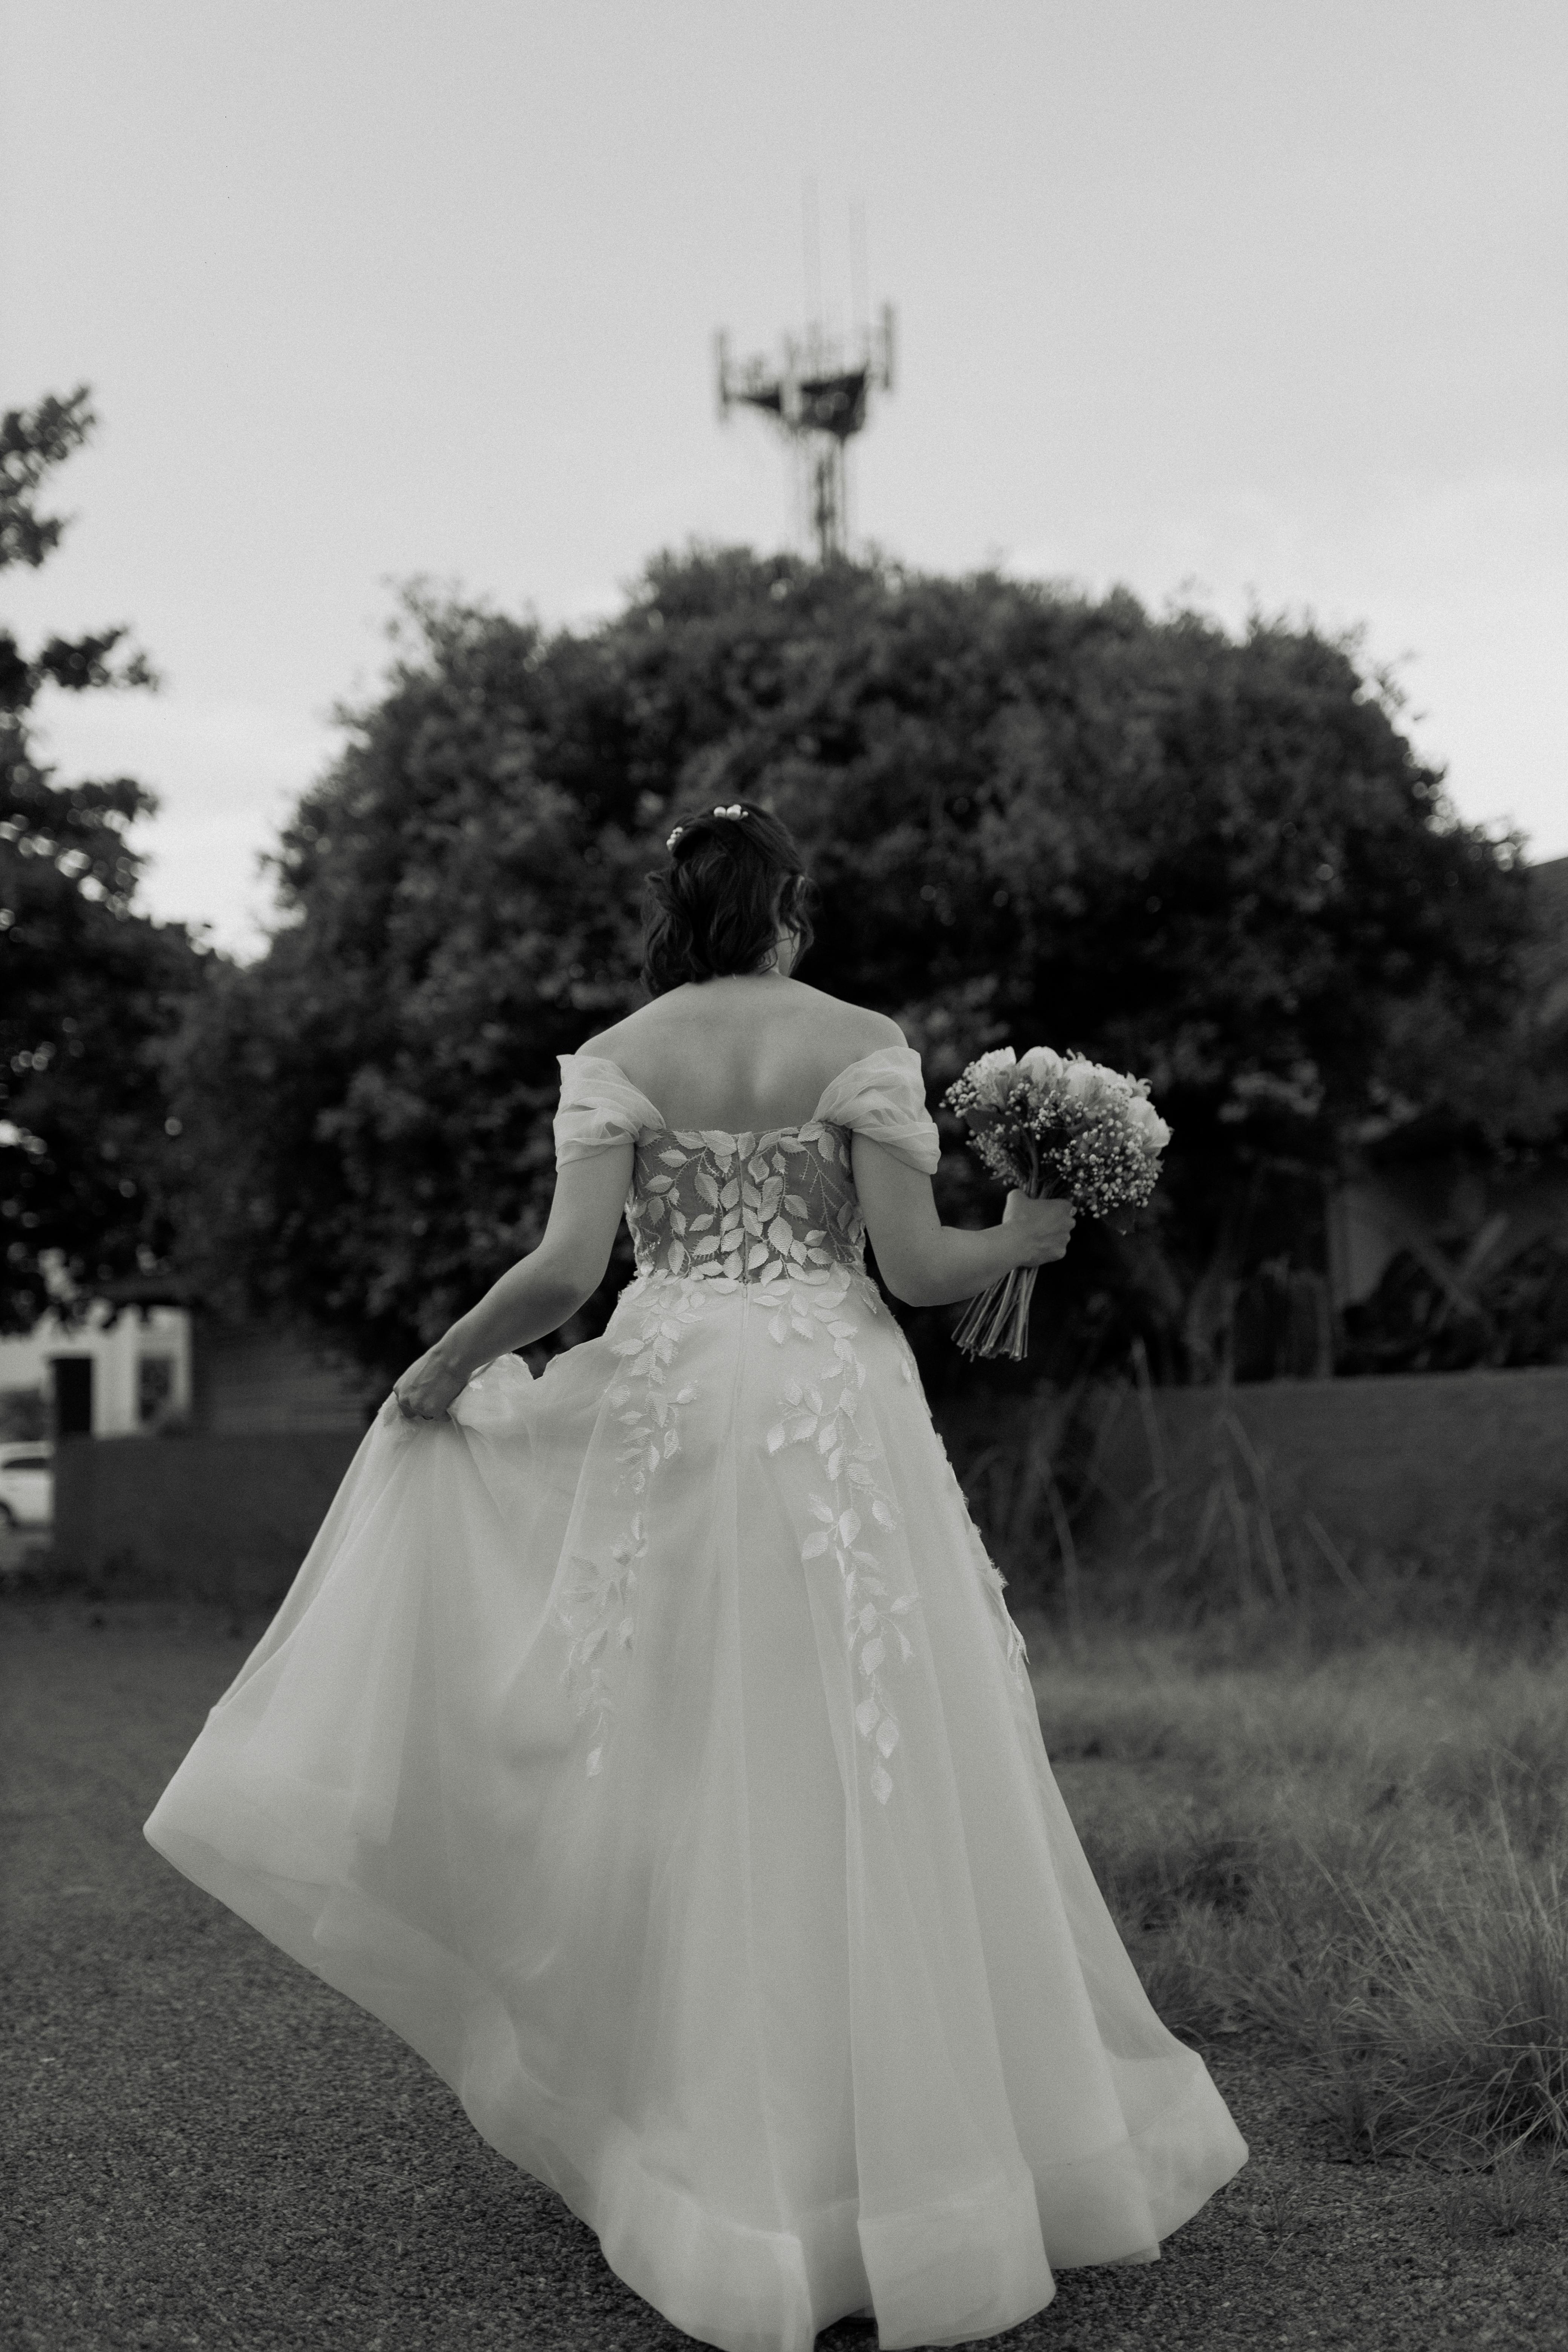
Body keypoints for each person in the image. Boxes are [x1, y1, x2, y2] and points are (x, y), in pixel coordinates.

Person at [145, 802, 1246, 2352]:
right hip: (830, 1410)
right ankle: (928, 2171)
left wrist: (443, 1367)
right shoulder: (859, 1040)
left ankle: (724, 2168)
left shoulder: (615, 1056)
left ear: (669, 909)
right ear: (787, 900)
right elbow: (921, 1274)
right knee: (873, 1755)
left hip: (674, 1408)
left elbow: (561, 1275)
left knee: (688, 1751)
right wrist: (1025, 1236)